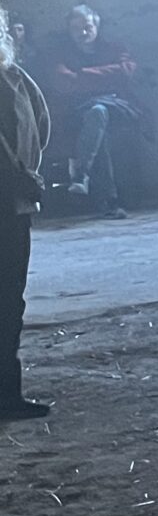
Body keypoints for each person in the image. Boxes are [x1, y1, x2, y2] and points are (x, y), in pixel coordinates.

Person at [35, 6, 141, 220]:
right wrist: (104, 78)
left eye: (87, 27)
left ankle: (81, 174)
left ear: (97, 27)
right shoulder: (59, 54)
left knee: (98, 114)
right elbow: (63, 81)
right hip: (75, 113)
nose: (83, 33)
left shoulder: (113, 48)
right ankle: (108, 201)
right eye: (76, 29)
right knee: (98, 122)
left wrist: (81, 76)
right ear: (69, 30)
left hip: (117, 108)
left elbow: (126, 71)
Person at [0, 22, 51, 417]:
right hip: (12, 198)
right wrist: (25, 176)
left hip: (14, 201)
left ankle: (7, 394)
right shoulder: (14, 77)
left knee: (9, 299)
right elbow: (40, 125)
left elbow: (40, 123)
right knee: (7, 298)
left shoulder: (14, 77)